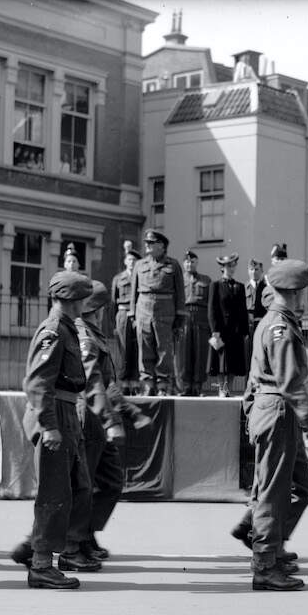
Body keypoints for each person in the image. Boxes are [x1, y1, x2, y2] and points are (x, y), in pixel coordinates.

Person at [246, 260, 308, 591]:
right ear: (296, 293)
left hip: (277, 409)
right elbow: (291, 382)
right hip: (278, 408)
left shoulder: (278, 322)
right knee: (273, 491)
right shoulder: (279, 327)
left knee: (298, 487)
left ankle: (272, 546)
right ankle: (265, 563)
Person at [15, 271, 95, 588]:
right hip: (54, 414)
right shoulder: (54, 332)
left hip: (66, 412)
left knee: (77, 488)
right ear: (70, 299)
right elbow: (37, 383)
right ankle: (40, 564)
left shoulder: (67, 329)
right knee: (54, 492)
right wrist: (49, 426)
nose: (84, 304)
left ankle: (44, 553)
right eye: (81, 298)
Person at [75, 281, 151, 562]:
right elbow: (92, 381)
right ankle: (77, 541)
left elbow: (109, 384)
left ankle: (87, 533)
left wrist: (131, 412)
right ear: (99, 309)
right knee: (84, 485)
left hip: (100, 420)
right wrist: (111, 420)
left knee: (110, 482)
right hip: (89, 418)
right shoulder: (85, 336)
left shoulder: (97, 335)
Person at [130, 229, 185, 395]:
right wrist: (133, 314)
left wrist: (180, 317)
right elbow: (134, 291)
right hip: (143, 308)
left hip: (165, 309)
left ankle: (162, 384)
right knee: (145, 347)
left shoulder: (173, 265)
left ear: (161, 246)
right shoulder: (140, 265)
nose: (147, 245)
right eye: (146, 242)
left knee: (164, 348)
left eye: (151, 243)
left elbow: (180, 293)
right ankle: (147, 384)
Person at [208, 253, 250, 397]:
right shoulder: (216, 285)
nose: (231, 268)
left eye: (233, 266)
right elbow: (212, 310)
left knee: (233, 362)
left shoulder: (240, 286)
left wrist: (244, 331)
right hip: (221, 330)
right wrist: (215, 331)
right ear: (222, 268)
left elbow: (243, 310)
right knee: (221, 363)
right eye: (228, 266)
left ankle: (229, 389)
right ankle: (222, 389)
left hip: (235, 331)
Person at [176, 251, 211, 396]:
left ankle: (198, 386)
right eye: (187, 262)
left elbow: (211, 303)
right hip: (184, 317)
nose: (189, 264)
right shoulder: (179, 280)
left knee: (200, 352)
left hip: (201, 318)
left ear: (197, 263)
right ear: (184, 263)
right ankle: (185, 387)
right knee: (184, 353)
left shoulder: (206, 279)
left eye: (192, 261)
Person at [111, 243, 139, 393]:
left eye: (134, 260)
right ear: (125, 261)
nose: (132, 262)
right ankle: (123, 382)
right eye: (129, 259)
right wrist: (114, 324)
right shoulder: (118, 278)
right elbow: (113, 301)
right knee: (123, 348)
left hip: (136, 315)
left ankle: (134, 382)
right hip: (122, 314)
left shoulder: (140, 277)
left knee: (135, 348)